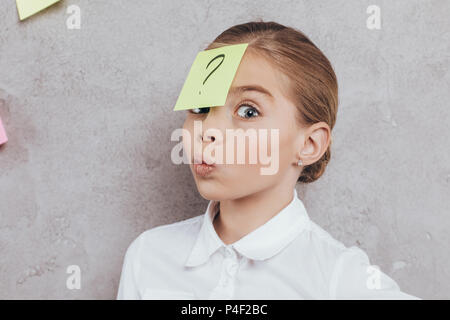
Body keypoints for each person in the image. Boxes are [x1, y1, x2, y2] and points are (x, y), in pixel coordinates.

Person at [117, 21, 419, 299]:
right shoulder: (148, 256)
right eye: (199, 108)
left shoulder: (339, 278)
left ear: (310, 144)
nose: (206, 130)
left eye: (248, 111)